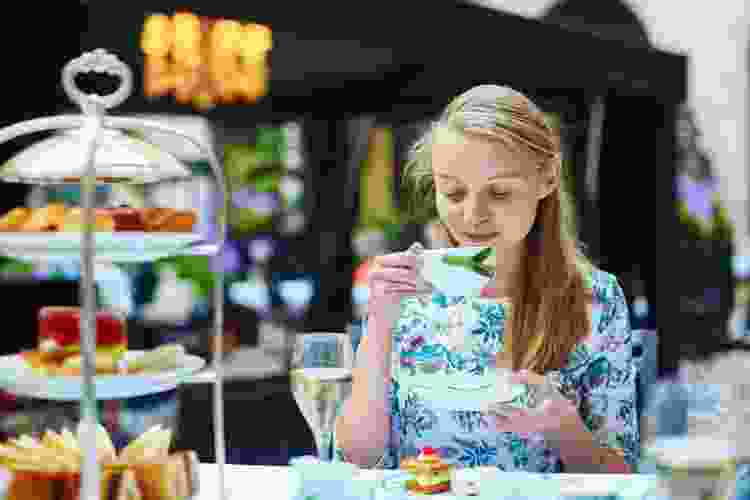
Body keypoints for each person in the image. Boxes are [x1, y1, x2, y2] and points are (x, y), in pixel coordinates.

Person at [333, 85, 637, 473]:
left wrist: (564, 428)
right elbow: (356, 461)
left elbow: (625, 480)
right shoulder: (407, 292)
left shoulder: (595, 298)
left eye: (499, 193)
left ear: (547, 179)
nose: (474, 215)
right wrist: (377, 326)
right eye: (454, 192)